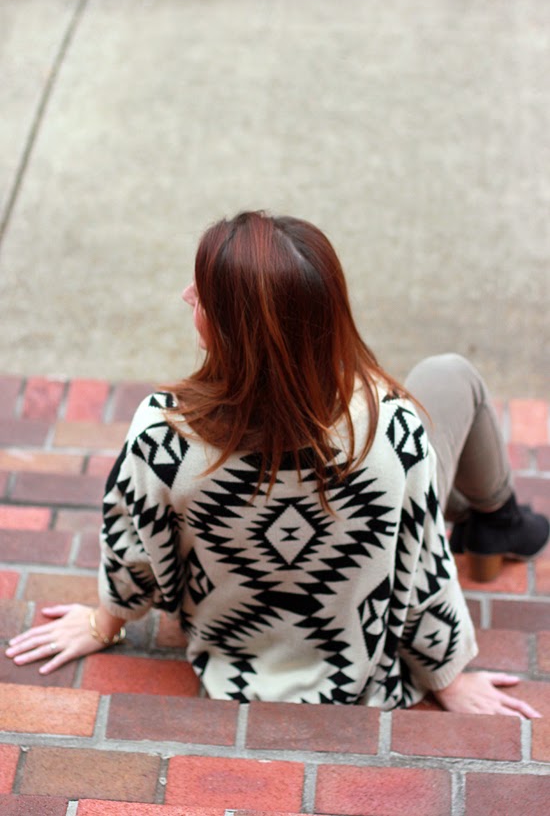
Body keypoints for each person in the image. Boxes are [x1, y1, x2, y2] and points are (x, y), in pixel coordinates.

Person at [6, 211, 548, 717]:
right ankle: (496, 521)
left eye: (203, 297)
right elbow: (422, 562)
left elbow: (135, 549)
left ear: (231, 333)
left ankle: (487, 518)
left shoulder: (162, 436)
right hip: (359, 656)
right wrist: (448, 677)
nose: (186, 295)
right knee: (448, 376)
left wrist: (104, 625)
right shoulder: (393, 430)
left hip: (232, 660)